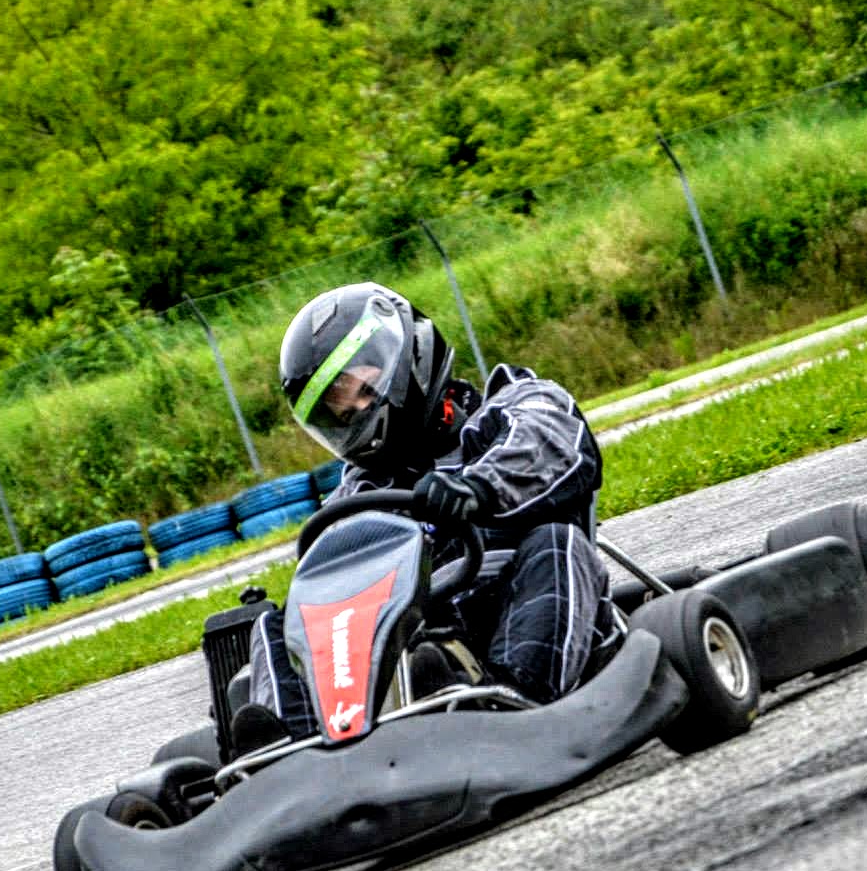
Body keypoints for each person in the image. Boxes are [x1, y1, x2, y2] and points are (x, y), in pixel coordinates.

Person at [235, 281, 620, 751]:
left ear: (406, 356)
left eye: (361, 389)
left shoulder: (515, 404)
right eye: (338, 411)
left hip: (516, 603)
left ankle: (516, 701)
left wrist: (477, 487)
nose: (356, 412)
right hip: (413, 641)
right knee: (276, 624)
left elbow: (550, 445)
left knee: (555, 542)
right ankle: (292, 754)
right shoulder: (359, 490)